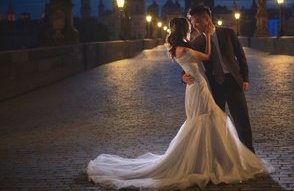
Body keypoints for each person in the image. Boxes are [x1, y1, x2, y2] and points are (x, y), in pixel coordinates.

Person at [86, 17, 272, 190]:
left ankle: (209, 159)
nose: (192, 27)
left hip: (199, 87)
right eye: (189, 25)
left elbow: (191, 62)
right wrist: (207, 37)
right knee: (206, 119)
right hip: (198, 87)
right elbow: (205, 56)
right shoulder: (187, 46)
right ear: (184, 29)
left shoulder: (179, 47)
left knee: (207, 120)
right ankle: (207, 162)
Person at [183, 4, 255, 152]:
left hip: (233, 82)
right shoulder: (197, 43)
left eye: (197, 22)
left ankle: (249, 154)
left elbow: (241, 57)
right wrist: (183, 76)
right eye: (192, 23)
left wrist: (245, 78)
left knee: (242, 120)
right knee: (217, 122)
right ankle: (223, 154)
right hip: (214, 86)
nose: (194, 26)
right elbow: (186, 62)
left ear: (207, 20)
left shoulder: (228, 33)